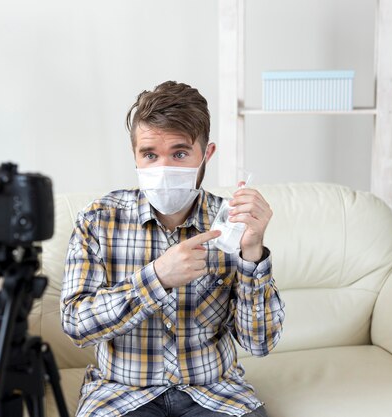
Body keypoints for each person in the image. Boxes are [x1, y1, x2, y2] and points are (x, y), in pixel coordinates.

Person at [61, 81, 285, 417]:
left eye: (179, 153)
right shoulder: (98, 220)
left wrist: (253, 253)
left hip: (214, 393)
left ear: (205, 154)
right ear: (135, 155)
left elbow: (261, 343)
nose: (162, 168)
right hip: (121, 395)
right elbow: (77, 325)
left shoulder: (232, 223)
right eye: (150, 155)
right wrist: (157, 278)